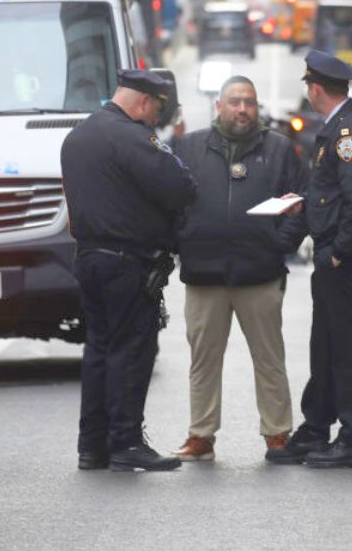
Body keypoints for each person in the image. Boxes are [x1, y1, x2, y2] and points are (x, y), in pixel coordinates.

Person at [60, 69, 197, 472]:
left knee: (99, 349)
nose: (155, 118)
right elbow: (181, 187)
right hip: (128, 262)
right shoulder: (132, 137)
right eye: (155, 109)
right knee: (133, 349)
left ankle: (93, 445)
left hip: (88, 258)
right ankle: (126, 441)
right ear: (142, 101)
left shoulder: (77, 137)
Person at [171, 75, 308, 463]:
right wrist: (182, 241)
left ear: (257, 106)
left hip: (259, 275)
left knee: (269, 359)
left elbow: (301, 202)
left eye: (249, 102)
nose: (242, 109)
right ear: (219, 106)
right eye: (234, 102)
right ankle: (201, 435)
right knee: (203, 360)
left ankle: (277, 433)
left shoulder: (280, 149)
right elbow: (169, 200)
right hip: (204, 274)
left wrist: (280, 244)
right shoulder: (190, 147)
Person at [269, 50, 352, 469]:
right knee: (326, 344)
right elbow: (334, 196)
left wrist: (340, 251)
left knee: (346, 348)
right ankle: (317, 425)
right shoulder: (337, 129)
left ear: (315, 88)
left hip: (342, 257)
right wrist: (304, 208)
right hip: (330, 252)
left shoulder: (349, 135)